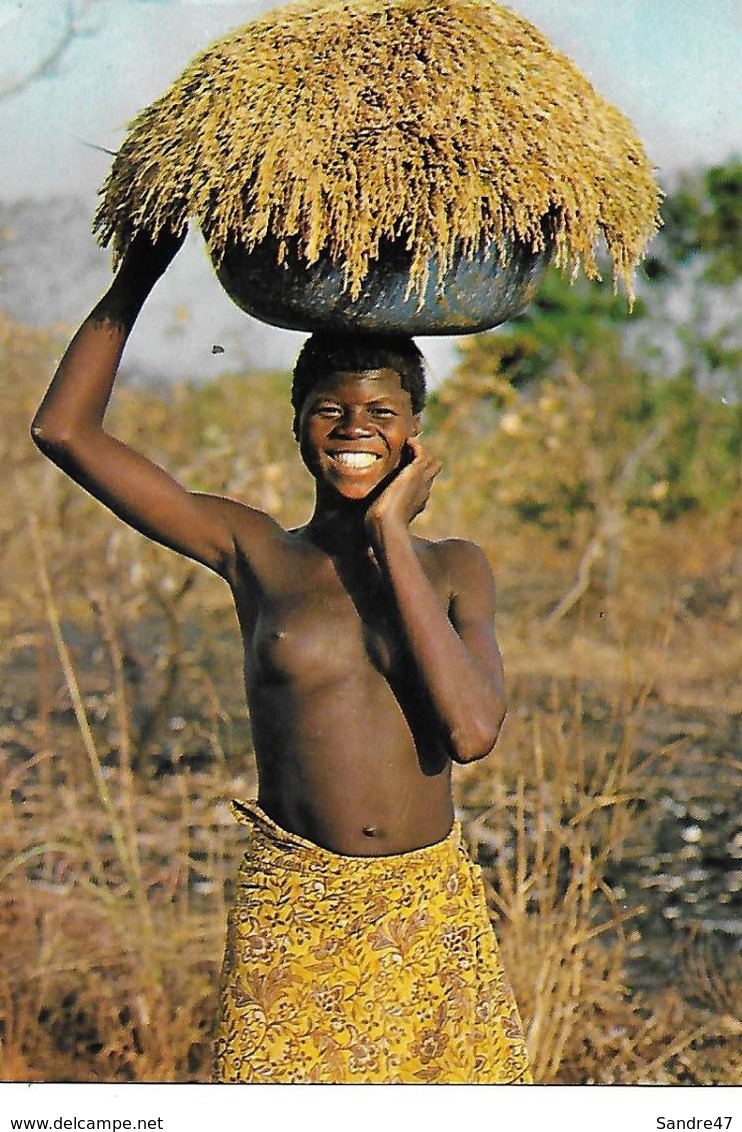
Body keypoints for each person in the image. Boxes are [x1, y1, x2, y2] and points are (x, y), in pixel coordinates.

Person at [31, 228, 532, 1084]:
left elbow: (472, 729)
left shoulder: (455, 567)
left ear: (416, 432)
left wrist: (390, 535)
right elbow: (65, 431)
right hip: (293, 906)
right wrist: (141, 268)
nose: (354, 429)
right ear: (298, 422)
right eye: (330, 408)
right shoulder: (257, 550)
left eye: (382, 413)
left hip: (428, 913)